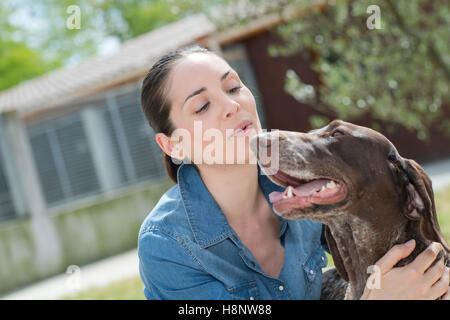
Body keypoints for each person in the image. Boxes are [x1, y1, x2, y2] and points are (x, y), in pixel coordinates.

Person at [138, 44, 450, 300]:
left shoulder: (307, 187)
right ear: (173, 145)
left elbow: (390, 231)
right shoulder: (166, 245)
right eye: (202, 107)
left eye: (233, 86)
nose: (232, 105)